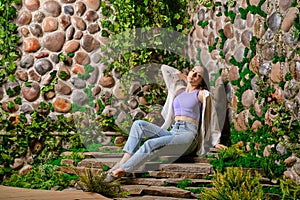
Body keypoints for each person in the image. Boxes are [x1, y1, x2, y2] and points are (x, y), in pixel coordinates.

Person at [104, 64, 227, 182]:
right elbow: (165, 69)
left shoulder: (202, 94)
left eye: (198, 75)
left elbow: (212, 117)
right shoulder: (178, 91)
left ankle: (122, 170)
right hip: (173, 131)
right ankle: (123, 162)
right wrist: (184, 77)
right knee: (138, 124)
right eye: (193, 71)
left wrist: (216, 141)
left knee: (150, 143)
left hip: (188, 135)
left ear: (201, 81)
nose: (193, 75)